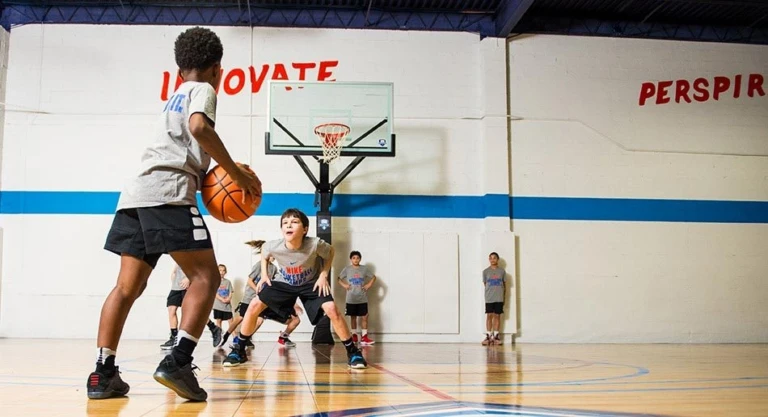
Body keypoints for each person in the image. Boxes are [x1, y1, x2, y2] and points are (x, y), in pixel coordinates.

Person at [86, 26, 261, 402]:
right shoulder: (204, 91)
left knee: (126, 287)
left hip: (135, 196)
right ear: (218, 69)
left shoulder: (172, 99)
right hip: (168, 194)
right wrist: (234, 174)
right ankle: (178, 361)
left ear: (179, 69)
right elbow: (199, 128)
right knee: (207, 276)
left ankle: (102, 374)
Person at [223, 208, 367, 369]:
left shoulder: (315, 244)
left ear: (305, 229)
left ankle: (353, 352)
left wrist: (323, 274)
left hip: (311, 283)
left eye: (294, 222)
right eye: (285, 223)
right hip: (284, 283)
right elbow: (264, 251)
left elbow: (330, 252)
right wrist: (264, 275)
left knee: (332, 308)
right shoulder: (274, 246)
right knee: (254, 305)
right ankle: (239, 350)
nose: (288, 225)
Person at [337, 251, 376, 345]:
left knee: (365, 316)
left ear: (360, 259)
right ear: (351, 259)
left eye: (357, 258)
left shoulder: (364, 269)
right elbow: (339, 278)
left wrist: (368, 285)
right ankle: (354, 335)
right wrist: (345, 285)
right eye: (353, 258)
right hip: (351, 298)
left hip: (362, 297)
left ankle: (364, 337)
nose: (356, 260)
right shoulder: (347, 269)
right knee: (353, 317)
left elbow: (374, 277)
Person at [482, 252, 507, 346]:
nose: (492, 260)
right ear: (489, 259)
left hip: (499, 297)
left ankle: (496, 336)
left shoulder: (502, 271)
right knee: (489, 316)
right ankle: (488, 336)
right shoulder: (485, 272)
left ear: (497, 259)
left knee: (497, 316)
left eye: (494, 258)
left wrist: (503, 297)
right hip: (489, 298)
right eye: (491, 258)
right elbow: (485, 284)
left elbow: (504, 286)